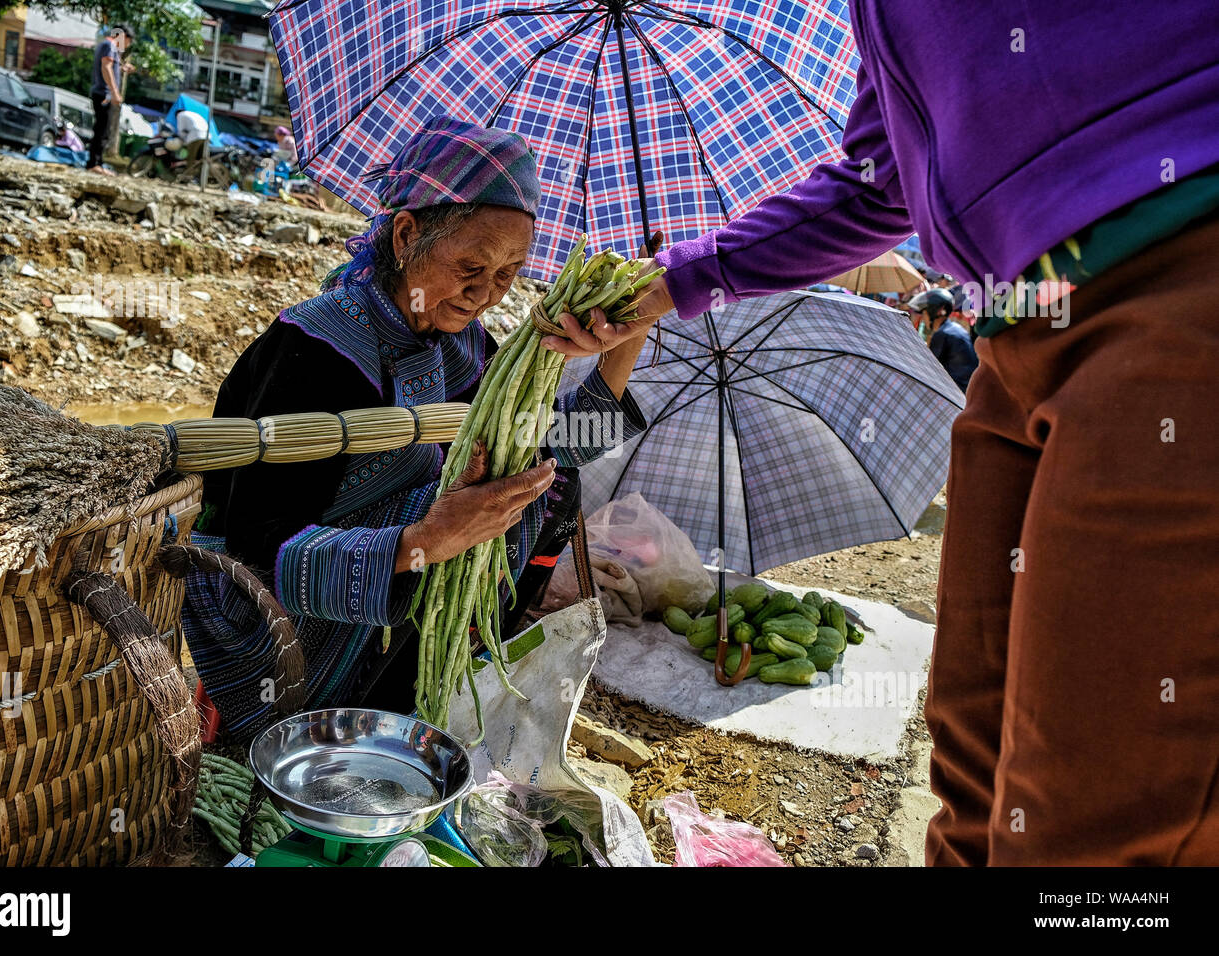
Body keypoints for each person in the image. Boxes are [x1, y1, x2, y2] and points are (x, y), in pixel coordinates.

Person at [548, 1, 1219, 865]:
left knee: (1091, 818)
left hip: (1171, 282)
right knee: (975, 755)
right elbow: (878, 182)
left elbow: (569, 448)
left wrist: (645, 317)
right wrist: (668, 287)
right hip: (1013, 330)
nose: (482, 289)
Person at [181, 116, 652, 738]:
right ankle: (293, 730)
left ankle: (407, 709)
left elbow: (559, 447)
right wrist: (427, 539)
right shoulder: (317, 351)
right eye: (471, 267)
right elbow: (256, 550)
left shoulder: (462, 346)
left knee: (549, 488)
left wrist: (629, 331)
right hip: (273, 627)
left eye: (510, 274)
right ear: (406, 235)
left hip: (391, 608)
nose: (486, 293)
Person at [908, 287, 977, 391]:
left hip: (958, 393)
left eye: (924, 312)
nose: (923, 317)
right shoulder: (952, 329)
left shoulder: (943, 334)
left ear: (937, 311)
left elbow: (928, 367)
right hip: (966, 390)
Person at [87, 24, 132, 175]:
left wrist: (122, 68)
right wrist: (114, 92)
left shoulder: (106, 46)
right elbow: (106, 68)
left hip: (102, 93)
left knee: (102, 128)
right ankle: (95, 164)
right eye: (128, 41)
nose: (127, 45)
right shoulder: (109, 45)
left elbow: (110, 68)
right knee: (102, 130)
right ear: (123, 36)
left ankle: (96, 163)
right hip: (104, 94)